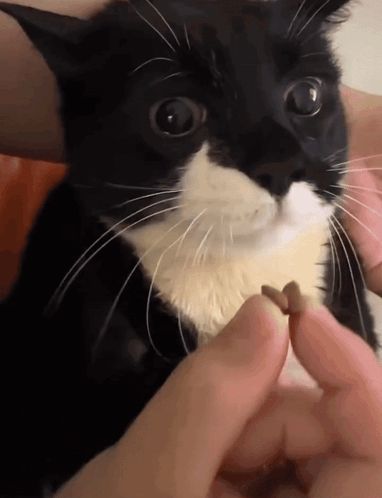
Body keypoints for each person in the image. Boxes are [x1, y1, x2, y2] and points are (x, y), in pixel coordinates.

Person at [0, 1, 381, 496]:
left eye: (306, 97)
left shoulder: (345, 258)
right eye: (176, 117)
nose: (279, 164)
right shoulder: (75, 282)